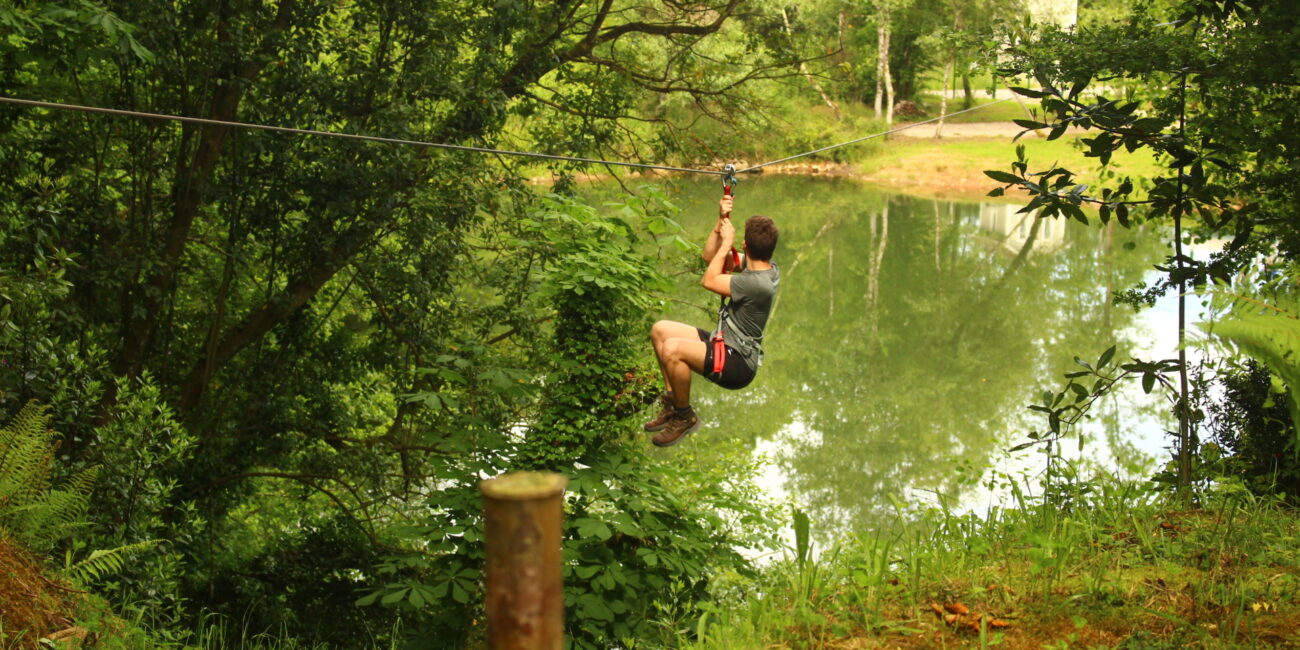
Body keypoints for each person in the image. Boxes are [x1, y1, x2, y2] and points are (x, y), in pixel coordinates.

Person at [645, 194, 780, 447]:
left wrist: (726, 242)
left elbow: (708, 280)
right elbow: (710, 259)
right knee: (661, 330)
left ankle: (684, 416)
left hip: (738, 364)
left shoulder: (755, 284)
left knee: (672, 349)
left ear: (745, 245)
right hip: (723, 342)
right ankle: (672, 403)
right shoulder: (765, 267)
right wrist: (720, 222)